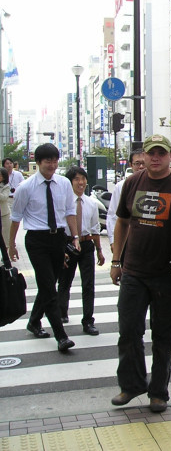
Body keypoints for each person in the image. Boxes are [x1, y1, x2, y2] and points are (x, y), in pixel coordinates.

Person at [110, 135, 171, 413]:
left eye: (161, 153)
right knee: (128, 331)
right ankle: (132, 384)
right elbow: (123, 222)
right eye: (151, 153)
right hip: (134, 271)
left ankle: (159, 392)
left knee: (163, 336)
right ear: (144, 156)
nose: (156, 158)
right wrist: (116, 260)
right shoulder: (132, 182)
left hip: (169, 273)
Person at [8, 143, 78, 353]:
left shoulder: (64, 184)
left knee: (49, 284)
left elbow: (70, 211)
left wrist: (74, 237)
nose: (52, 165)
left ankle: (34, 321)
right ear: (38, 162)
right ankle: (61, 336)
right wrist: (11, 245)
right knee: (48, 287)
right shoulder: (26, 187)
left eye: (55, 160)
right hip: (37, 241)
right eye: (48, 161)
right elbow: (15, 218)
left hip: (58, 238)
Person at [57, 167, 105, 335]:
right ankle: (62, 312)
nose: (81, 182)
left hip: (86, 245)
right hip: (68, 245)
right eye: (77, 179)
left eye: (83, 179)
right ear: (69, 182)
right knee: (65, 281)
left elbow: (95, 228)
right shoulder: (63, 202)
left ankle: (88, 320)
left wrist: (99, 250)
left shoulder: (91, 203)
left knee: (88, 284)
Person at [107, 149, 146, 256]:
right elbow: (113, 215)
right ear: (131, 165)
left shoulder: (156, 185)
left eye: (143, 163)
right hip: (127, 239)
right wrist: (113, 241)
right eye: (137, 163)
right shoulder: (122, 186)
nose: (141, 166)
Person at [0, 167, 11, 245]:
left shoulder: (6, 186)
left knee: (5, 237)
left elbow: (3, 197)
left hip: (3, 215)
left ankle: (5, 252)